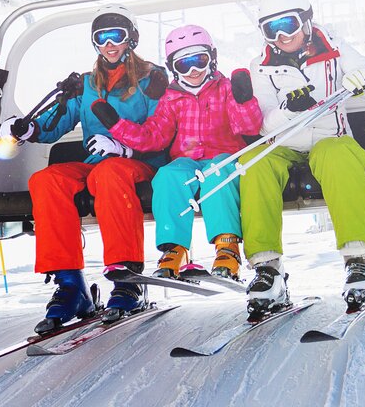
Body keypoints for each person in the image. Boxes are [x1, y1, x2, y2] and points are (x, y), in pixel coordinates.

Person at [0, 4, 169, 332]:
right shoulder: (89, 83)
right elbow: (58, 122)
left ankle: (127, 278)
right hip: (98, 164)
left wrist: (124, 147)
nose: (109, 44)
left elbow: (163, 132)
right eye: (101, 37)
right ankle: (71, 286)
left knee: (110, 173)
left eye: (115, 36)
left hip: (140, 163)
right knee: (46, 180)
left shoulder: (152, 78)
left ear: (130, 39)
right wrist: (29, 128)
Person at [240, 0, 365, 317]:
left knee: (337, 156)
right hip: (285, 143)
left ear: (306, 22)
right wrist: (289, 112)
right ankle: (267, 270)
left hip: (330, 137)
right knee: (252, 164)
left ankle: (358, 261)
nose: (281, 36)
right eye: (272, 29)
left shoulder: (335, 50)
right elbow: (266, 122)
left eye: (289, 25)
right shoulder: (260, 66)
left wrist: (364, 80)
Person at [90, 25, 263, 281]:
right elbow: (153, 136)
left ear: (211, 59)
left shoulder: (225, 89)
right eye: (184, 65)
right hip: (187, 161)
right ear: (173, 68)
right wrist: (116, 125)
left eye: (199, 61)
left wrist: (244, 99)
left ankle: (227, 247)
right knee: (168, 176)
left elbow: (246, 126)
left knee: (217, 173)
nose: (193, 71)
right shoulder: (171, 97)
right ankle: (174, 248)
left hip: (224, 156)